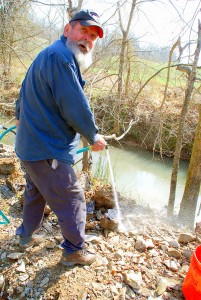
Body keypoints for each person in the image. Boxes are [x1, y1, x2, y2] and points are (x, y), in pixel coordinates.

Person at [15, 9, 107, 267]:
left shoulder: (47, 54)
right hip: (47, 149)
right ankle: (74, 251)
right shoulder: (62, 58)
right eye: (83, 31)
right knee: (73, 197)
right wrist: (92, 135)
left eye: (92, 36)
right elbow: (74, 105)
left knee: (36, 191)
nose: (87, 39)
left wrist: (19, 114)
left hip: (28, 147)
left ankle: (24, 236)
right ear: (68, 29)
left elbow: (24, 90)